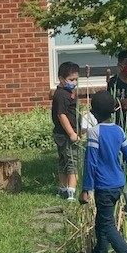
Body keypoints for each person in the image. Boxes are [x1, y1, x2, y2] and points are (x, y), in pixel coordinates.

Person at [78, 91, 127, 253]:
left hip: (103, 186)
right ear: (114, 110)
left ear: (93, 112)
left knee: (106, 224)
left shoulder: (94, 132)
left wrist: (86, 189)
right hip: (118, 184)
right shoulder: (119, 130)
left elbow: (91, 163)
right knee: (101, 224)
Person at [52, 61, 81, 202]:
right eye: (71, 79)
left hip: (62, 134)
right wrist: (71, 133)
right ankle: (71, 191)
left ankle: (62, 188)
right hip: (65, 134)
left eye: (76, 79)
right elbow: (61, 115)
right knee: (72, 161)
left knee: (63, 161)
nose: (74, 82)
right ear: (61, 79)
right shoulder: (62, 95)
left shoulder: (67, 93)